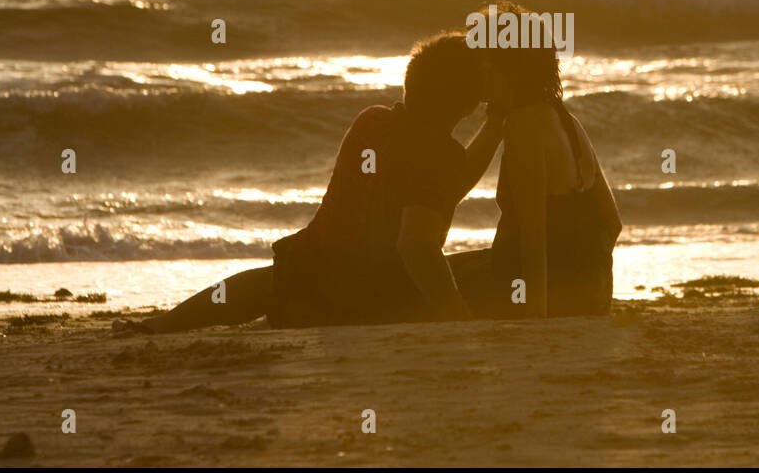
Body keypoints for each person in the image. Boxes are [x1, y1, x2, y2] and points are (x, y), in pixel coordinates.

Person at [132, 32, 503, 332]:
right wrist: (458, 318)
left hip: (307, 279)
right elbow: (417, 245)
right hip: (361, 301)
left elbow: (440, 188)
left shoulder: (373, 122)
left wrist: (495, 126)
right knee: (487, 267)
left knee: (268, 281)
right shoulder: (439, 154)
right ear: (468, 102)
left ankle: (164, 323)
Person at [448, 2, 622, 319]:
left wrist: (538, 323)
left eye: (479, 61)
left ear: (505, 67)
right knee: (450, 267)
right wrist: (593, 293)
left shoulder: (523, 128)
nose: (472, 72)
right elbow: (612, 223)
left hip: (538, 290)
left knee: (426, 282)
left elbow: (534, 241)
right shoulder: (565, 119)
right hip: (589, 286)